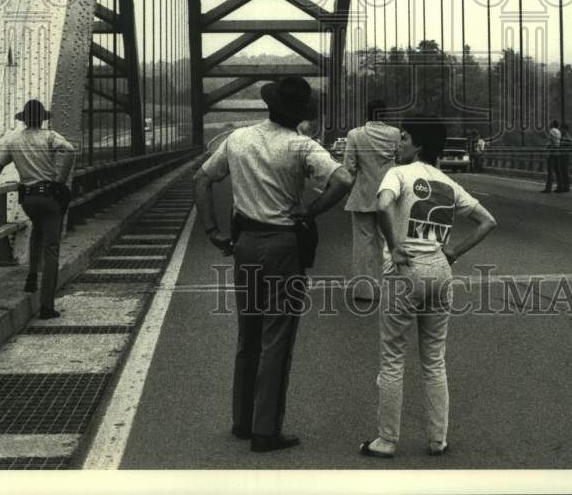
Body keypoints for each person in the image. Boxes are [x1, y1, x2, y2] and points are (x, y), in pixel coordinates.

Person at [193, 76, 353, 453]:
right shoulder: (301, 145)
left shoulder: (238, 139)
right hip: (283, 246)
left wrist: (213, 230)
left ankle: (242, 421)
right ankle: (267, 430)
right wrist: (309, 210)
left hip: (245, 243)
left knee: (247, 335)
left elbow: (201, 180)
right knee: (276, 337)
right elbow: (343, 179)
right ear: (299, 113)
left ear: (269, 105)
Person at [360, 116, 497, 459]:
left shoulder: (398, 174)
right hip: (439, 269)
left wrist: (395, 246)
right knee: (434, 360)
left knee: (393, 359)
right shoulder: (447, 184)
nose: (398, 143)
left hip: (405, 271)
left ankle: (387, 441)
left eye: (403, 138)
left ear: (417, 145)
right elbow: (487, 221)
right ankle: (438, 440)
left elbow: (382, 206)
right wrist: (453, 251)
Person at [0, 99, 75, 319]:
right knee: (51, 250)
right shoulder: (49, 136)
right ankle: (46, 306)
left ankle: (31, 277)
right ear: (42, 119)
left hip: (28, 200)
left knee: (37, 230)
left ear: (24, 119)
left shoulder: (13, 141)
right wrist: (60, 181)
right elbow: (69, 150)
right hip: (49, 197)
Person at [342, 99, 400, 301]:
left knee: (362, 245)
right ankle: (388, 288)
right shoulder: (395, 134)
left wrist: (345, 192)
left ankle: (364, 291)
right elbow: (401, 162)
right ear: (384, 114)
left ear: (366, 113)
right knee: (387, 242)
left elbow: (349, 168)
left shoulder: (355, 135)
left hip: (362, 196)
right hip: (389, 195)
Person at [542, 119, 562, 192]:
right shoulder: (559, 131)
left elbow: (550, 141)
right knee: (557, 169)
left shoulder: (551, 131)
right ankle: (560, 186)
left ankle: (548, 188)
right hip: (558, 150)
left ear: (552, 124)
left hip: (552, 150)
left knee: (550, 169)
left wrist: (548, 151)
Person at [558, 123, 572, 193]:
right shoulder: (562, 136)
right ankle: (563, 186)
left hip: (565, 156)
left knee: (565, 171)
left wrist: (567, 151)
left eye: (562, 128)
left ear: (566, 129)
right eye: (561, 128)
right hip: (561, 156)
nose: (561, 130)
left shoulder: (567, 137)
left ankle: (566, 187)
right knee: (562, 171)